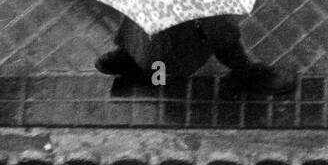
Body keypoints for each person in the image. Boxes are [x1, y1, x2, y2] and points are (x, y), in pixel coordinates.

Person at [95, 14, 295, 96]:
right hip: (170, 56)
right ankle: (245, 72)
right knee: (213, 22)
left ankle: (132, 55)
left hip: (153, 45)